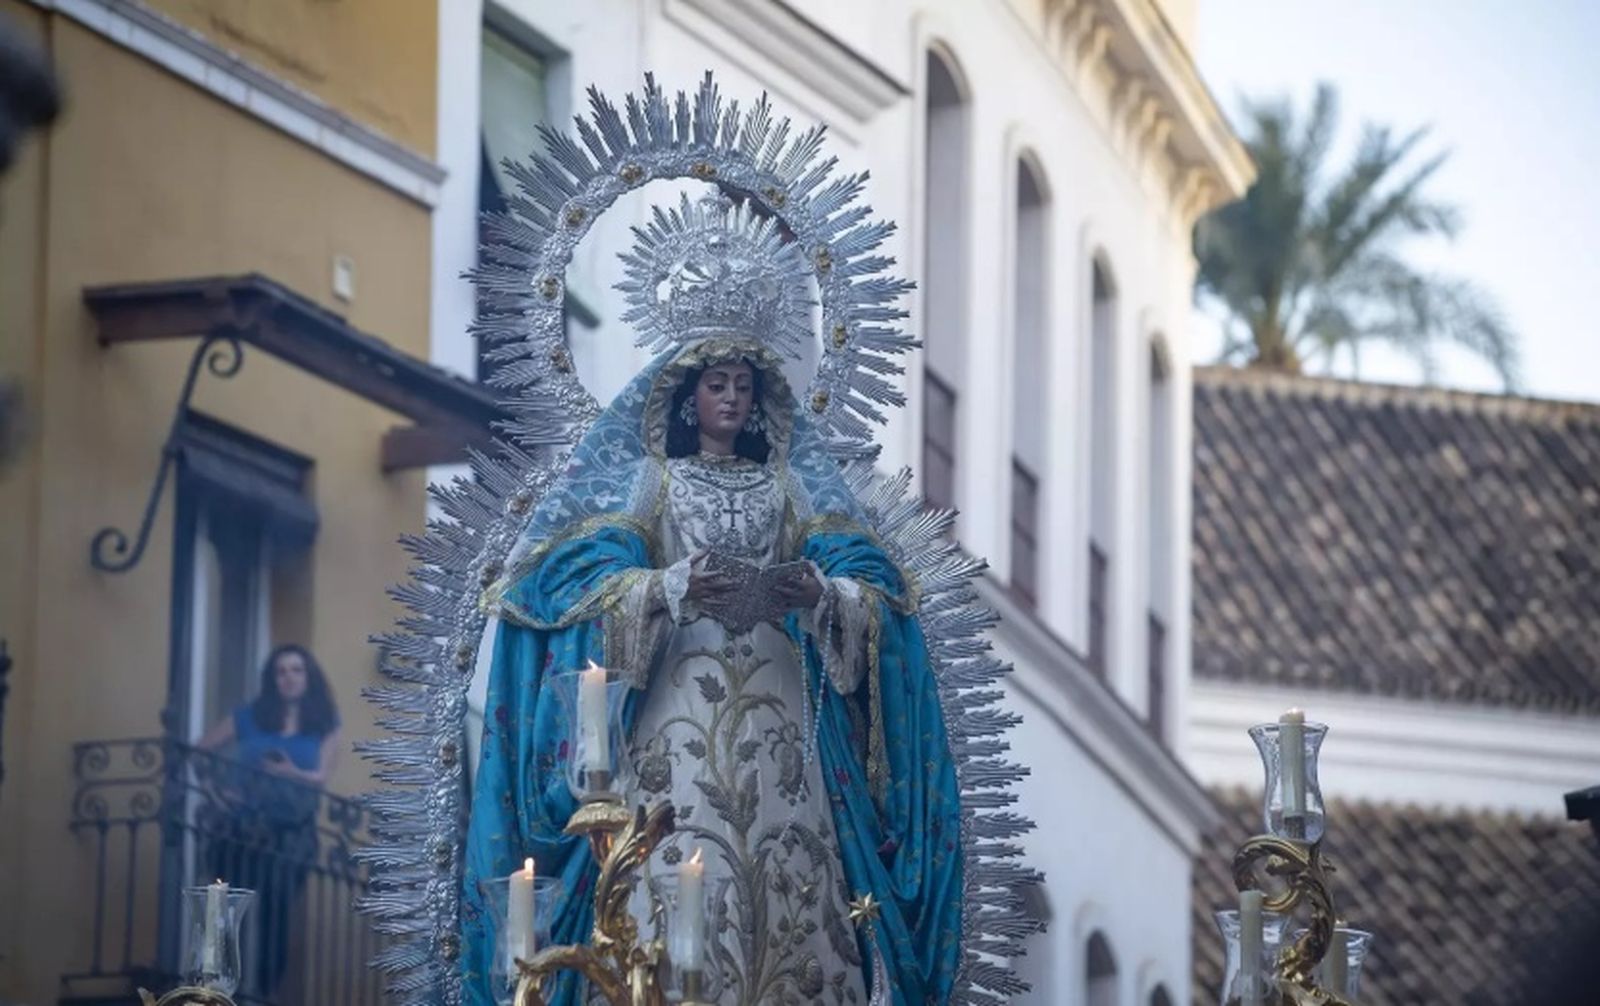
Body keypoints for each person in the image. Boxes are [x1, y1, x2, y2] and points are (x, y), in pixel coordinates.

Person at [462, 201, 964, 1006]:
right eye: (716, 383)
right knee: (664, 900)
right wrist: (663, 588)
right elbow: (570, 582)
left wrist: (825, 594)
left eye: (743, 385)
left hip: (784, 745)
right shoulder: (650, 483)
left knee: (799, 909)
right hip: (670, 738)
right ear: (686, 394)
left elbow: (876, 589)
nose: (730, 398)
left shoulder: (793, 487)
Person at [197, 644, 341, 996]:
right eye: (281, 671)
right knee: (228, 914)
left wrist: (290, 771)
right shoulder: (250, 716)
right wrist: (215, 792)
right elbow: (200, 749)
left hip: (291, 833)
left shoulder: (324, 724)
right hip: (241, 828)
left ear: (308, 677)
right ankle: (218, 991)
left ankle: (261, 995)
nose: (288, 678)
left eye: (296, 670)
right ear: (271, 679)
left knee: (276, 919)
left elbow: (321, 777)